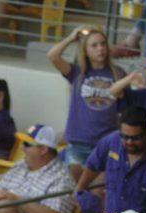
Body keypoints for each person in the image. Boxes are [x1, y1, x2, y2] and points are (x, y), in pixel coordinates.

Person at [47, 27, 124, 177]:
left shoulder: (118, 73)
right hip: (78, 143)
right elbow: (53, 56)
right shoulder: (77, 72)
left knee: (97, 190)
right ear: (85, 51)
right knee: (76, 187)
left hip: (105, 143)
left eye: (103, 44)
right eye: (94, 45)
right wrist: (70, 38)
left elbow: (124, 106)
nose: (100, 48)